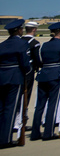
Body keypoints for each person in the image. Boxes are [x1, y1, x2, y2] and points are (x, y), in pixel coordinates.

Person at [30, 22, 60, 141]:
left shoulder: (44, 45)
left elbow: (39, 60)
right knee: (52, 104)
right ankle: (48, 132)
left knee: (40, 106)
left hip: (44, 75)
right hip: (55, 74)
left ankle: (35, 133)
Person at [0, 19, 32, 147]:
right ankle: (6, 139)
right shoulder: (22, 44)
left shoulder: (2, 44)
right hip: (15, 77)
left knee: (1, 109)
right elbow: (25, 64)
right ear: (19, 30)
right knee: (11, 109)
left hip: (2, 77)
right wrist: (27, 73)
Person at [13, 21, 41, 138]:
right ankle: (19, 121)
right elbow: (37, 60)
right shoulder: (34, 43)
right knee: (25, 96)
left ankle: (16, 120)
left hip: (16, 72)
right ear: (34, 30)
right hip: (28, 72)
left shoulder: (19, 41)